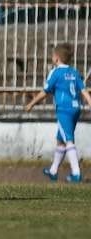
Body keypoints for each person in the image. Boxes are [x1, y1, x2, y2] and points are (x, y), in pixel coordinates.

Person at [25, 43, 91, 183]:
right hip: (76, 108)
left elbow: (45, 92)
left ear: (56, 58)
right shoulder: (74, 72)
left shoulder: (55, 73)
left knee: (68, 140)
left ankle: (76, 173)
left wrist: (31, 104)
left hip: (64, 109)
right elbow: (84, 91)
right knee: (60, 140)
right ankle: (53, 171)